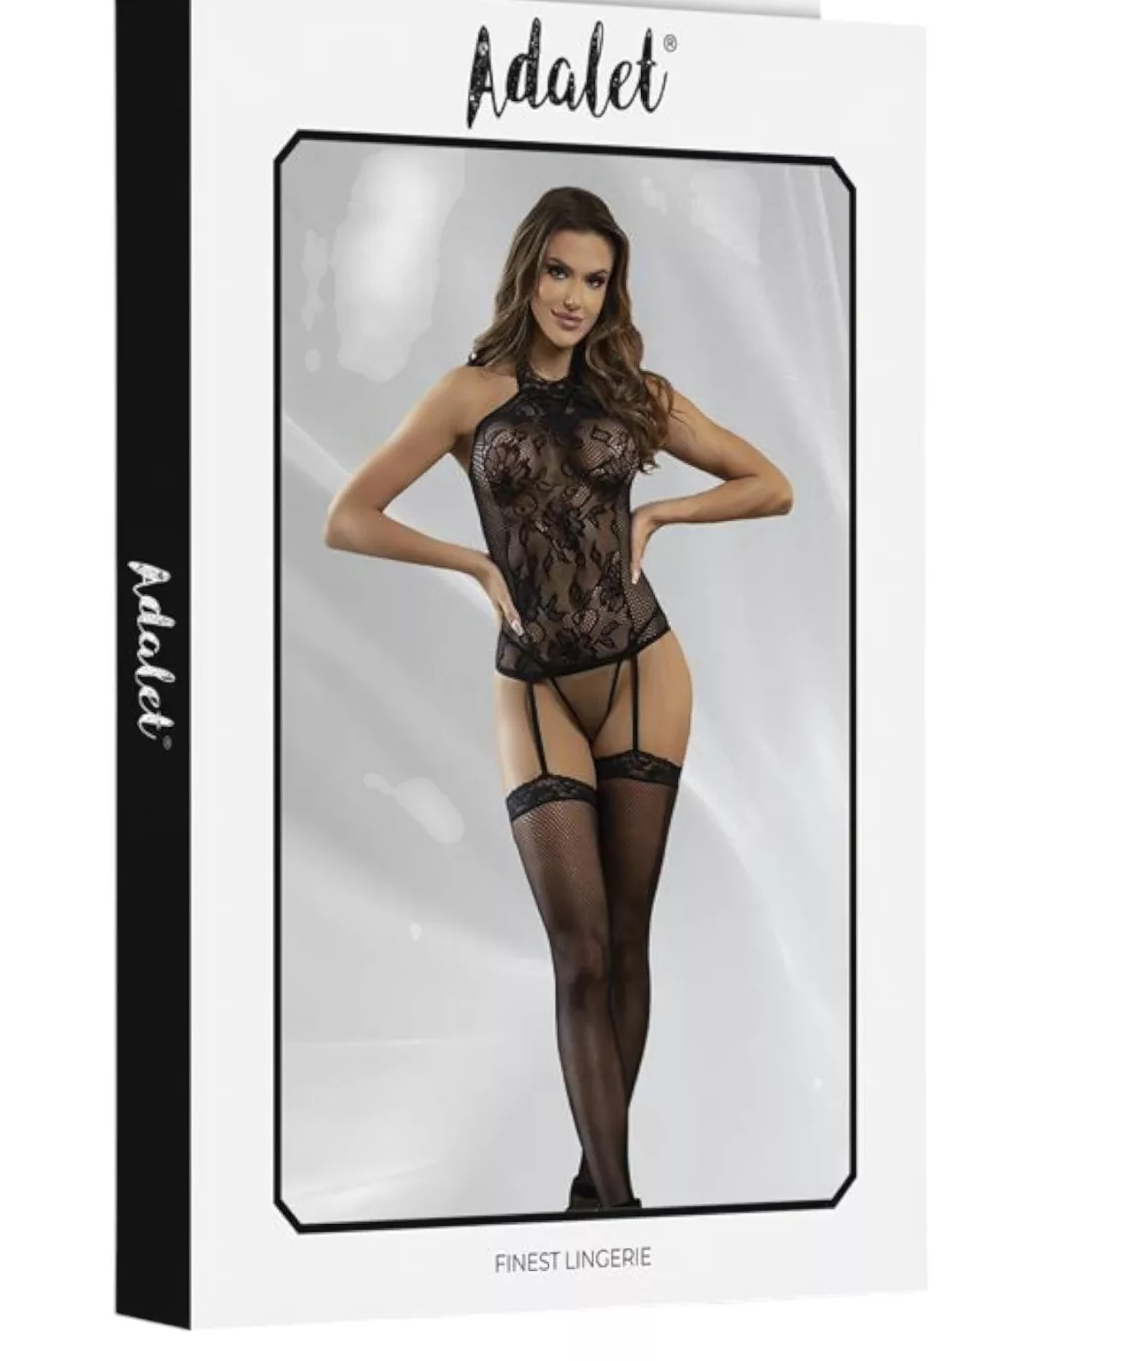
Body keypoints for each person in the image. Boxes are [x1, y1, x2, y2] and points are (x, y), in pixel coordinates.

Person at [324, 186, 794, 1214]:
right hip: (532, 686)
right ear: (527, 271)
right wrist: (470, 563)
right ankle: (613, 1204)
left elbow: (771, 484)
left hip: (641, 672)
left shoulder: (634, 394)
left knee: (626, 939)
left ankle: (603, 1198)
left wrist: (661, 514)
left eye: (595, 279)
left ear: (612, 289)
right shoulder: (467, 394)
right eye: (558, 272)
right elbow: (350, 515)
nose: (575, 297)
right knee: (578, 954)